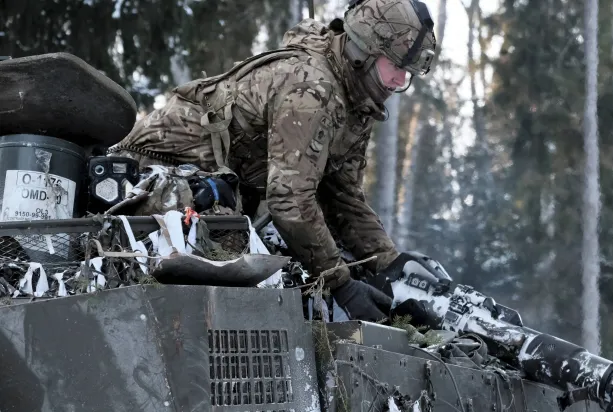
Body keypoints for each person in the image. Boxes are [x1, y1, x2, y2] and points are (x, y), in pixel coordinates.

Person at [109, 0, 438, 322]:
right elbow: (290, 200)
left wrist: (390, 265)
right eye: (396, 66)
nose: (399, 82)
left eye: (406, 73)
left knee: (331, 253)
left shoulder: (356, 97)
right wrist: (342, 284)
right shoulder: (312, 89)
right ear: (365, 51)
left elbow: (344, 198)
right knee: (248, 259)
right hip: (155, 172)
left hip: (217, 184)